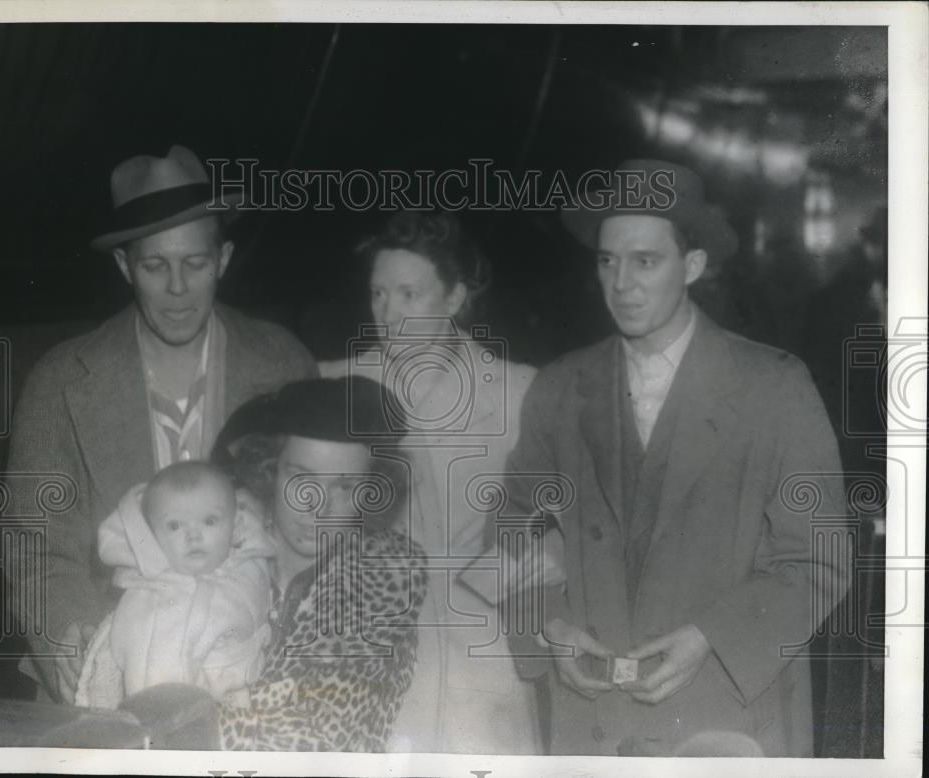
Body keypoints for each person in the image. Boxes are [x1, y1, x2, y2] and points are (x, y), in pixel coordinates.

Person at [507, 159, 848, 756]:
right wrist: (549, 626)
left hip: (727, 716)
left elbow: (819, 559)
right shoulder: (560, 388)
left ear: (692, 266)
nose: (622, 284)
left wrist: (709, 637)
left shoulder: (774, 387)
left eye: (646, 261)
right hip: (593, 723)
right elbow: (512, 529)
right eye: (607, 260)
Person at [5, 144, 316, 703]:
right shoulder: (58, 381)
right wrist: (73, 642)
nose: (177, 289)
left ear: (222, 259)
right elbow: (35, 543)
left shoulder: (284, 364)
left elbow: (317, 528)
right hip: (105, 679)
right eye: (154, 265)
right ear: (125, 266)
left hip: (253, 676)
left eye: (195, 264)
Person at [320, 211, 543, 753]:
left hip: (483, 642)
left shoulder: (520, 391)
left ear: (454, 297)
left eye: (408, 294)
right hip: (369, 637)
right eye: (377, 294)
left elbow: (550, 523)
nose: (388, 313)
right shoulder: (333, 384)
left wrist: (495, 582)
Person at [209, 376, 429, 751]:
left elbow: (307, 740)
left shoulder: (387, 577)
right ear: (270, 470)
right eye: (301, 478)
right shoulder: (217, 546)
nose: (318, 508)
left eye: (344, 487)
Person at [74, 461, 275, 709]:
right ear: (149, 535)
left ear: (236, 526)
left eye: (209, 521)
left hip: (239, 715)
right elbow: (145, 677)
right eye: (175, 525)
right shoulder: (147, 593)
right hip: (162, 719)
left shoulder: (248, 573)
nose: (193, 535)